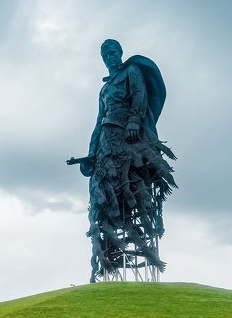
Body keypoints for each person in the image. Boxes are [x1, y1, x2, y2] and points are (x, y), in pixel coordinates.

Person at [68, 39, 176, 282]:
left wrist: (135, 121)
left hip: (128, 138)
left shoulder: (131, 71)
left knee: (133, 188)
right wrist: (90, 154)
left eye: (113, 51)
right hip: (106, 141)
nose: (109, 56)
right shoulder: (104, 90)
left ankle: (147, 230)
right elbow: (98, 121)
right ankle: (106, 264)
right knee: (103, 196)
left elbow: (140, 96)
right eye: (105, 53)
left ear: (120, 52)